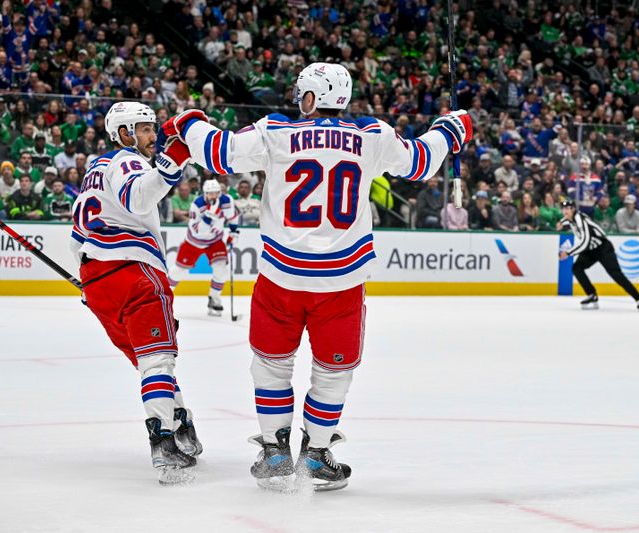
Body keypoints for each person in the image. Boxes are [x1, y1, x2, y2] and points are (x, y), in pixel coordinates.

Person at [170, 62, 472, 491]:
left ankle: (275, 452)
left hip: (281, 279)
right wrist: (451, 130)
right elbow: (420, 163)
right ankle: (315, 455)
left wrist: (190, 122)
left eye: (301, 93)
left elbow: (217, 152)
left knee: (272, 367)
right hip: (342, 283)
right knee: (334, 373)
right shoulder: (373, 136)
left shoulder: (275, 131)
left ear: (310, 97)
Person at [70, 101, 201, 485]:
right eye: (144, 128)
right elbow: (138, 198)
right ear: (124, 133)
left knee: (148, 363)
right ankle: (163, 440)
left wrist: (86, 278)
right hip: (135, 273)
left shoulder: (94, 170)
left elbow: (77, 235)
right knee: (159, 360)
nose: (152, 135)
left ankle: (181, 425)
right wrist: (174, 160)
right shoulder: (127, 161)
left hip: (98, 281)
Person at [559, 199, 639, 311]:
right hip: (591, 250)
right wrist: (561, 223)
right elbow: (568, 221)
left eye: (567, 209)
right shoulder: (570, 219)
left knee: (616, 275)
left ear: (573, 209)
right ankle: (592, 295)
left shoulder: (580, 219)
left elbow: (585, 241)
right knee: (577, 268)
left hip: (603, 248)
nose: (565, 211)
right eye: (563, 209)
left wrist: (568, 253)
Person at [168, 179, 239, 316]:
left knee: (221, 269)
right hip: (194, 241)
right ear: (204, 193)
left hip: (215, 241)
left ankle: (214, 299)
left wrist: (234, 232)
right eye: (210, 193)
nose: (213, 196)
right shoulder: (197, 205)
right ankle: (162, 295)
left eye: (216, 193)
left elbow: (233, 217)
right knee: (179, 271)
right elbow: (197, 231)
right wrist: (209, 216)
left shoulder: (226, 200)